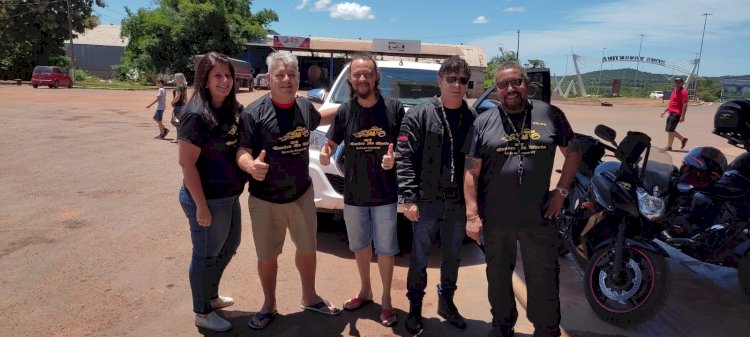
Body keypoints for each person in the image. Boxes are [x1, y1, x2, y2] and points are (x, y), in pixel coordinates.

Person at [463, 61, 581, 337]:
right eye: (503, 85)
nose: (510, 89)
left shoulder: (550, 114)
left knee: (543, 278)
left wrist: (561, 192)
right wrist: (472, 214)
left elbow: (574, 153)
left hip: (539, 215)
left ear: (527, 84)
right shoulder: (483, 121)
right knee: (498, 276)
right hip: (496, 216)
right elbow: (471, 171)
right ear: (497, 90)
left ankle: (546, 329)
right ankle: (502, 326)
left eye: (516, 82)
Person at [237, 50, 340, 330]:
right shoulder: (254, 113)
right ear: (269, 78)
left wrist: (351, 107)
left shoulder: (304, 108)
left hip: (302, 195)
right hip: (266, 199)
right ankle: (269, 304)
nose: (286, 79)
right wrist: (249, 166)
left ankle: (310, 296)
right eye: (280, 75)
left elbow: (321, 116)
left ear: (297, 79)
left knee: (308, 248)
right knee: (267, 256)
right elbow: (243, 150)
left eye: (291, 75)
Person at [319, 54, 405, 327]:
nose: (362, 79)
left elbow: (404, 146)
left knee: (387, 248)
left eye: (367, 73)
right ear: (351, 79)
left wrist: (395, 159)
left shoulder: (393, 108)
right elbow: (331, 143)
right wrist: (324, 151)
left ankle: (387, 299)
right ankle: (366, 290)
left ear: (376, 76)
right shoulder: (345, 111)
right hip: (354, 194)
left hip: (385, 194)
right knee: (360, 246)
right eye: (357, 75)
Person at [396, 55, 477, 334]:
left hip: (456, 202)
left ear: (468, 85)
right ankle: (415, 308)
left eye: (462, 80)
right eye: (451, 79)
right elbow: (404, 157)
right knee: (419, 257)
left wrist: (475, 207)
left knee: (453, 256)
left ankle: (447, 302)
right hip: (426, 200)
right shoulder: (419, 114)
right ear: (440, 80)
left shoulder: (472, 119)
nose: (457, 85)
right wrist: (408, 198)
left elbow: (477, 164)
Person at [176, 52, 246, 332]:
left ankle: (211, 296)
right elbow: (187, 164)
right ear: (204, 79)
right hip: (206, 199)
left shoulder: (230, 109)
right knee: (205, 254)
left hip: (229, 196)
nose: (225, 81)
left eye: (228, 75)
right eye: (218, 75)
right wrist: (201, 206)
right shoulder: (195, 115)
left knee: (229, 247)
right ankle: (201, 311)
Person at [660, 77, 689, 151]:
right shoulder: (674, 91)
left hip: (676, 113)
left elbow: (685, 104)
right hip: (671, 112)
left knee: (670, 130)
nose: (677, 83)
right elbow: (672, 103)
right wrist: (665, 110)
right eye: (676, 82)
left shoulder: (683, 92)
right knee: (669, 130)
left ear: (682, 83)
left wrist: (682, 116)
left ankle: (682, 140)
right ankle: (670, 146)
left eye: (679, 82)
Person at [170, 72, 188, 142]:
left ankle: (178, 138)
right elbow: (186, 98)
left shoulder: (178, 87)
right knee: (180, 122)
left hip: (178, 106)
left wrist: (172, 103)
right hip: (182, 106)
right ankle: (181, 136)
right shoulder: (184, 87)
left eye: (175, 78)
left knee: (176, 122)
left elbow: (177, 97)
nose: (174, 79)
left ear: (178, 79)